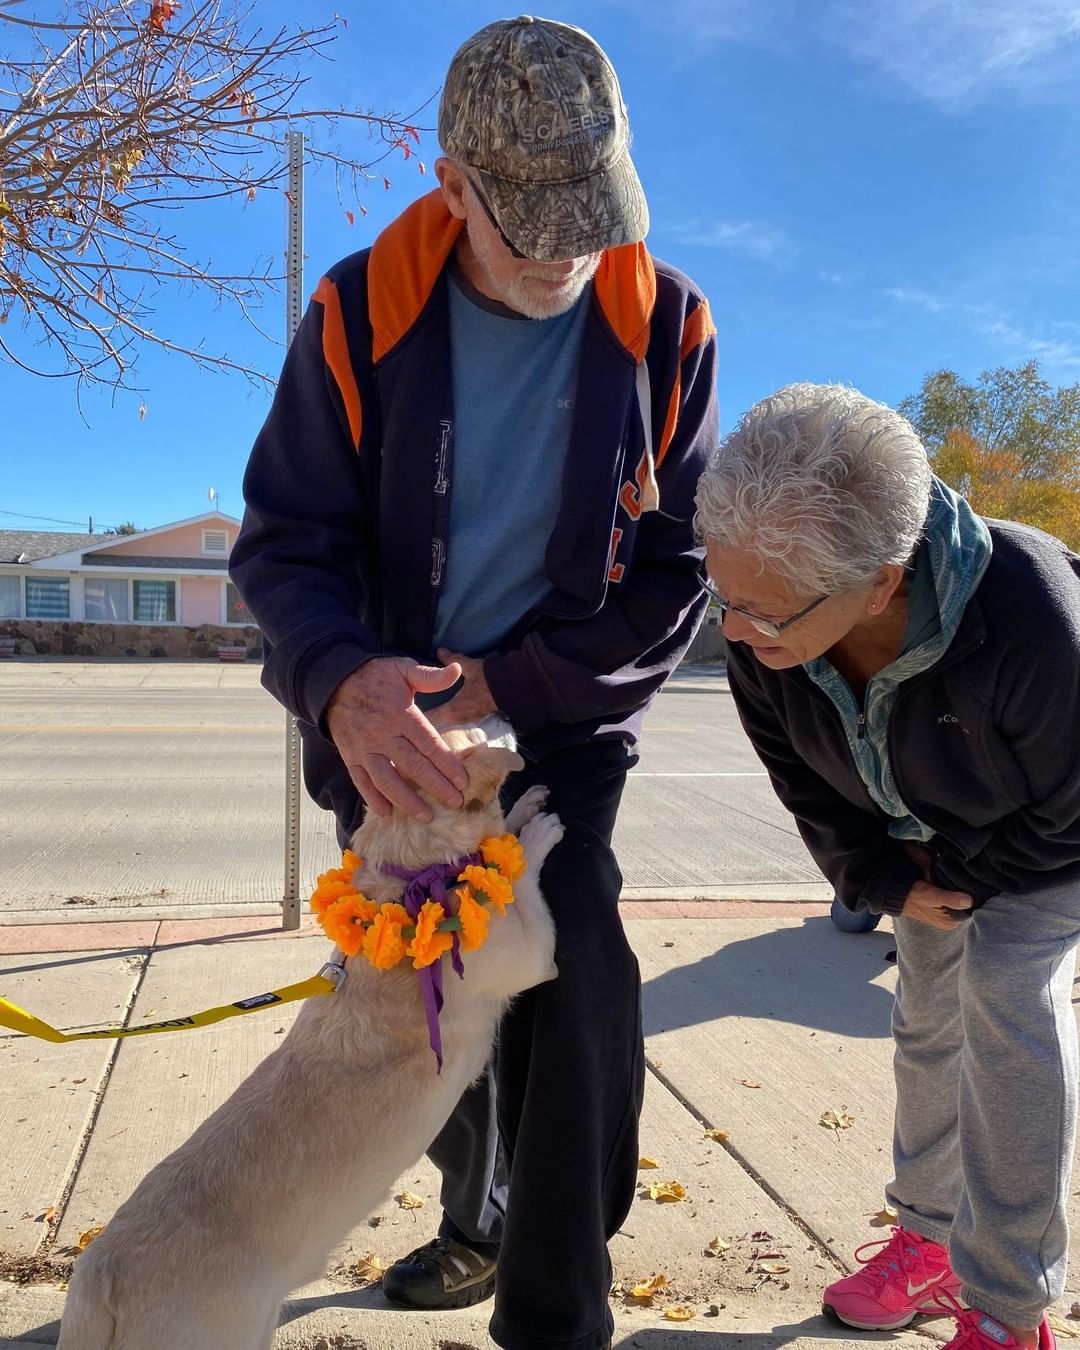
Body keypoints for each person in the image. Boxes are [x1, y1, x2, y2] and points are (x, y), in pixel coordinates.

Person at [229, 17, 718, 1350]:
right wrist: (339, 682)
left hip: (556, 717)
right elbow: (283, 545)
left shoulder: (667, 323)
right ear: (452, 186)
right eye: (530, 227)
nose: (566, 255)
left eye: (591, 219)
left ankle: (560, 1308)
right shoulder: (357, 310)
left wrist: (508, 679)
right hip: (397, 738)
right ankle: (474, 1221)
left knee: (581, 981)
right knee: (428, 1007)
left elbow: (676, 571)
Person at [694, 383, 1080, 1350]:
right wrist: (879, 881)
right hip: (924, 849)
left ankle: (1007, 1310)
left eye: (761, 612)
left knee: (1005, 1006)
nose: (734, 632)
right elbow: (805, 785)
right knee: (925, 1022)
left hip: (1045, 842)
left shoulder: (1033, 610)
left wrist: (973, 877)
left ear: (882, 580)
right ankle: (929, 1243)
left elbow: (1077, 804)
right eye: (722, 597)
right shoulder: (766, 629)